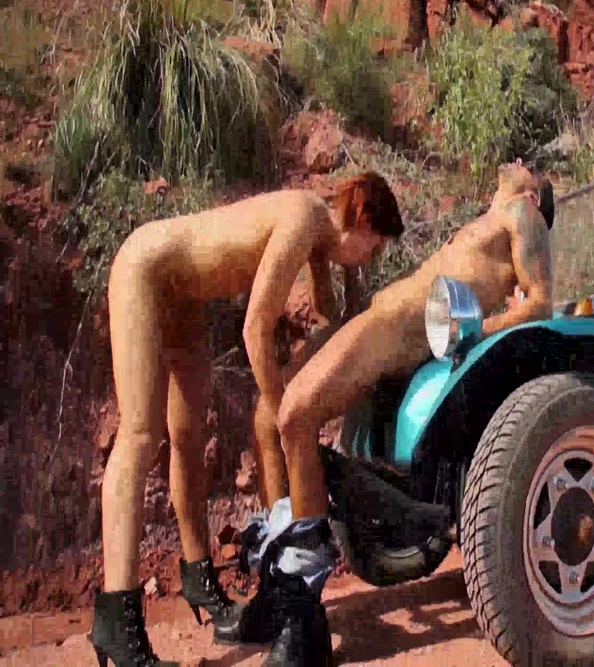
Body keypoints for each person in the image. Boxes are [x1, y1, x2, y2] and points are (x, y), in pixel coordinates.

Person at [237, 160, 556, 665]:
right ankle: (283, 592)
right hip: (385, 317)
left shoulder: (524, 214)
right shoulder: (489, 217)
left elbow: (539, 303)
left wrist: (474, 331)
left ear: (533, 194)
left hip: (402, 329)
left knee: (294, 416)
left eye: (528, 169)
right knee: (274, 419)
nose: (518, 163)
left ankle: (303, 619)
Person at [89, 173, 405, 667]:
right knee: (140, 435)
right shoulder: (303, 217)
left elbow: (332, 318)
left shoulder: (320, 239)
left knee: (187, 437)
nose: (372, 258)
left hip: (184, 297)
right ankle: (117, 619)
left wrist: (350, 288)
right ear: (363, 222)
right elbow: (255, 330)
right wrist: (284, 417)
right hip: (146, 270)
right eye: (376, 246)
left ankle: (198, 576)